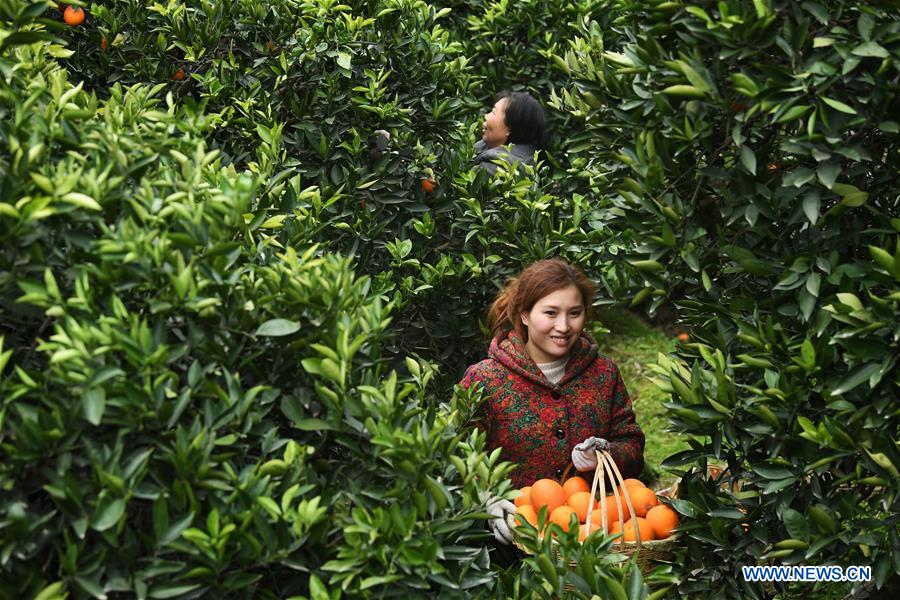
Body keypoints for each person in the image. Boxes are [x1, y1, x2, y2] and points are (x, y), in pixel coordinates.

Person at [459, 258, 645, 545]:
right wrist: (485, 499)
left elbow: (632, 449)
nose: (564, 326)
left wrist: (604, 455)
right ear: (524, 314)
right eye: (550, 313)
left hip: (593, 541)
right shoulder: (485, 380)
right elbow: (456, 457)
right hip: (511, 544)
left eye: (574, 313)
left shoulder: (603, 374)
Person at [472, 91, 547, 176]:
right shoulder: (530, 156)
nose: (486, 116)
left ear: (509, 129)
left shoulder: (493, 167)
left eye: (493, 112)